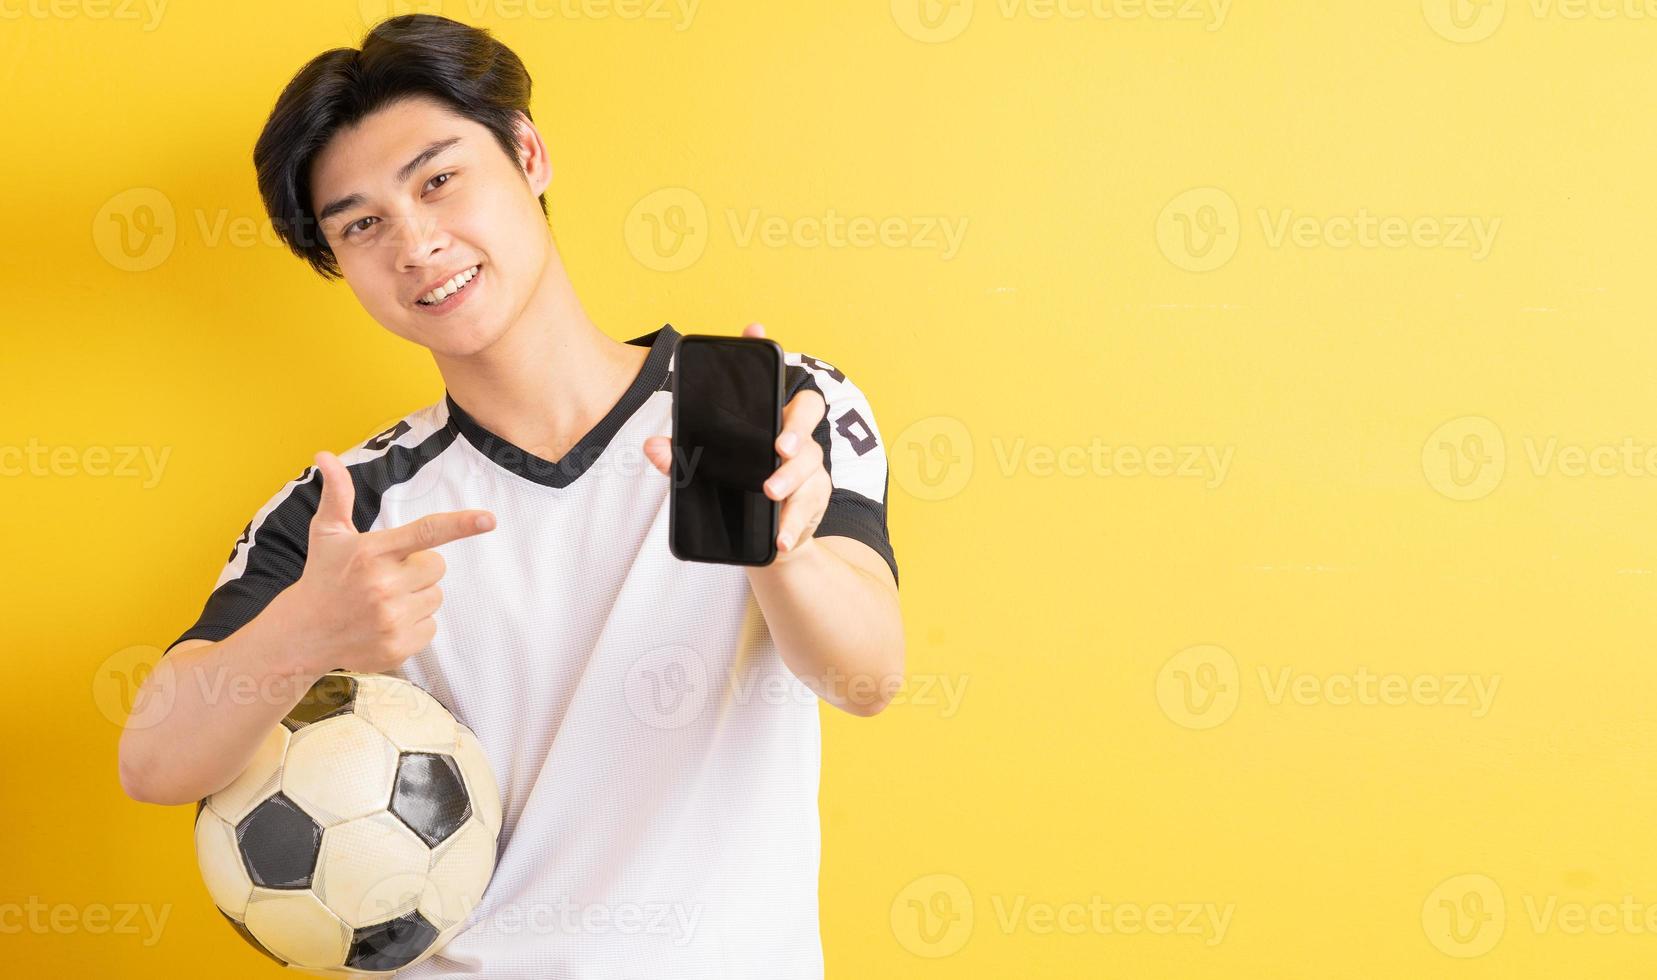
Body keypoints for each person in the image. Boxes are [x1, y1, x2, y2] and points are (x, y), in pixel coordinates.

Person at [117, 14, 903, 979]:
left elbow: (865, 678)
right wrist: (307, 633)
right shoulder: (343, 509)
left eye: (439, 179)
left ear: (526, 154)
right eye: (361, 224)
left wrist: (779, 549)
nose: (415, 244)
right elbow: (153, 764)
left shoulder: (760, 403)